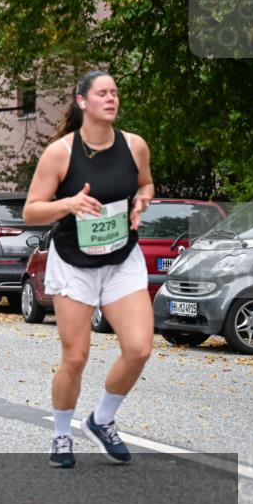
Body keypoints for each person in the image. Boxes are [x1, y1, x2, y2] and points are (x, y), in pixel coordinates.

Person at [23, 70, 154, 470]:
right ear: (82, 102)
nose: (111, 99)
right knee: (76, 356)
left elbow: (147, 184)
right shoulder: (60, 153)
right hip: (74, 263)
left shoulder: (134, 146)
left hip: (120, 260)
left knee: (138, 349)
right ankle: (62, 434)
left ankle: (101, 420)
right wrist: (69, 205)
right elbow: (31, 211)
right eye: (102, 93)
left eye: (115, 92)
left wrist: (141, 202)